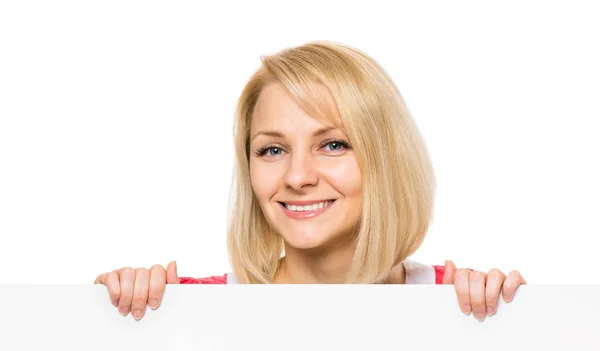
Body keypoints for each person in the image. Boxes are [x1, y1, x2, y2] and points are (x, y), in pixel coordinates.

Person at [94, 41, 526, 321]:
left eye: (333, 144)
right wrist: (110, 315)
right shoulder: (188, 308)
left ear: (386, 158)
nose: (298, 177)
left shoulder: (461, 302)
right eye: (272, 150)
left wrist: (510, 320)